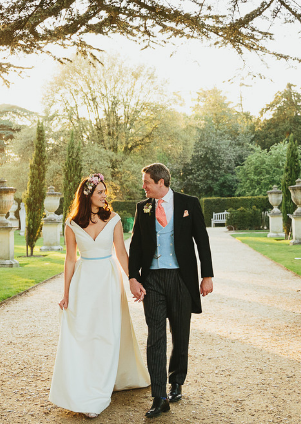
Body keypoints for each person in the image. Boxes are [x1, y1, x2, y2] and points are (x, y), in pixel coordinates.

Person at [49, 173, 149, 418]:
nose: (105, 196)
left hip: (108, 280)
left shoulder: (113, 219)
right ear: (88, 196)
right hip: (84, 283)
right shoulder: (72, 224)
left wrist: (133, 280)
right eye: (100, 192)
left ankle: (102, 386)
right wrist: (66, 293)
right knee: (85, 333)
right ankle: (86, 385)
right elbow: (70, 259)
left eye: (105, 191)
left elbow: (122, 255)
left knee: (107, 333)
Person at [128, 163, 214, 419]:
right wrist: (133, 277)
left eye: (147, 183)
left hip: (181, 278)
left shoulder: (189, 203)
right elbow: (135, 245)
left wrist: (207, 275)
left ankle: (176, 379)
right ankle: (159, 396)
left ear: (161, 182)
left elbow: (202, 240)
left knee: (180, 332)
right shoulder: (143, 207)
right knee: (155, 337)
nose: (143, 187)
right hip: (152, 279)